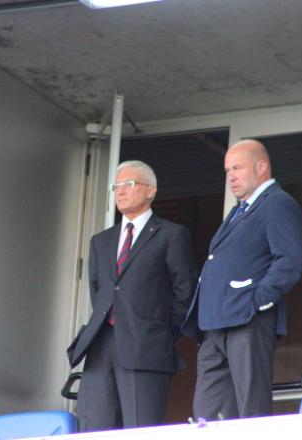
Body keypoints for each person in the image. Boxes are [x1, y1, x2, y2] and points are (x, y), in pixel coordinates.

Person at [67, 160, 197, 431]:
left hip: (146, 346)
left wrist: (163, 334)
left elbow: (184, 292)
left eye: (130, 184)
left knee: (140, 428)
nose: (121, 191)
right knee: (94, 427)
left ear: (151, 191)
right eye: (117, 186)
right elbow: (99, 291)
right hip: (101, 344)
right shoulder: (101, 241)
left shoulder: (171, 235)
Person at [182, 139, 302, 421]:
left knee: (250, 408)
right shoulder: (241, 209)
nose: (231, 177)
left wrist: (257, 302)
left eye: (237, 168)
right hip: (215, 323)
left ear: (261, 167)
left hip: (246, 319)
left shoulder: (277, 203)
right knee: (208, 414)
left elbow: (290, 260)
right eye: (227, 170)